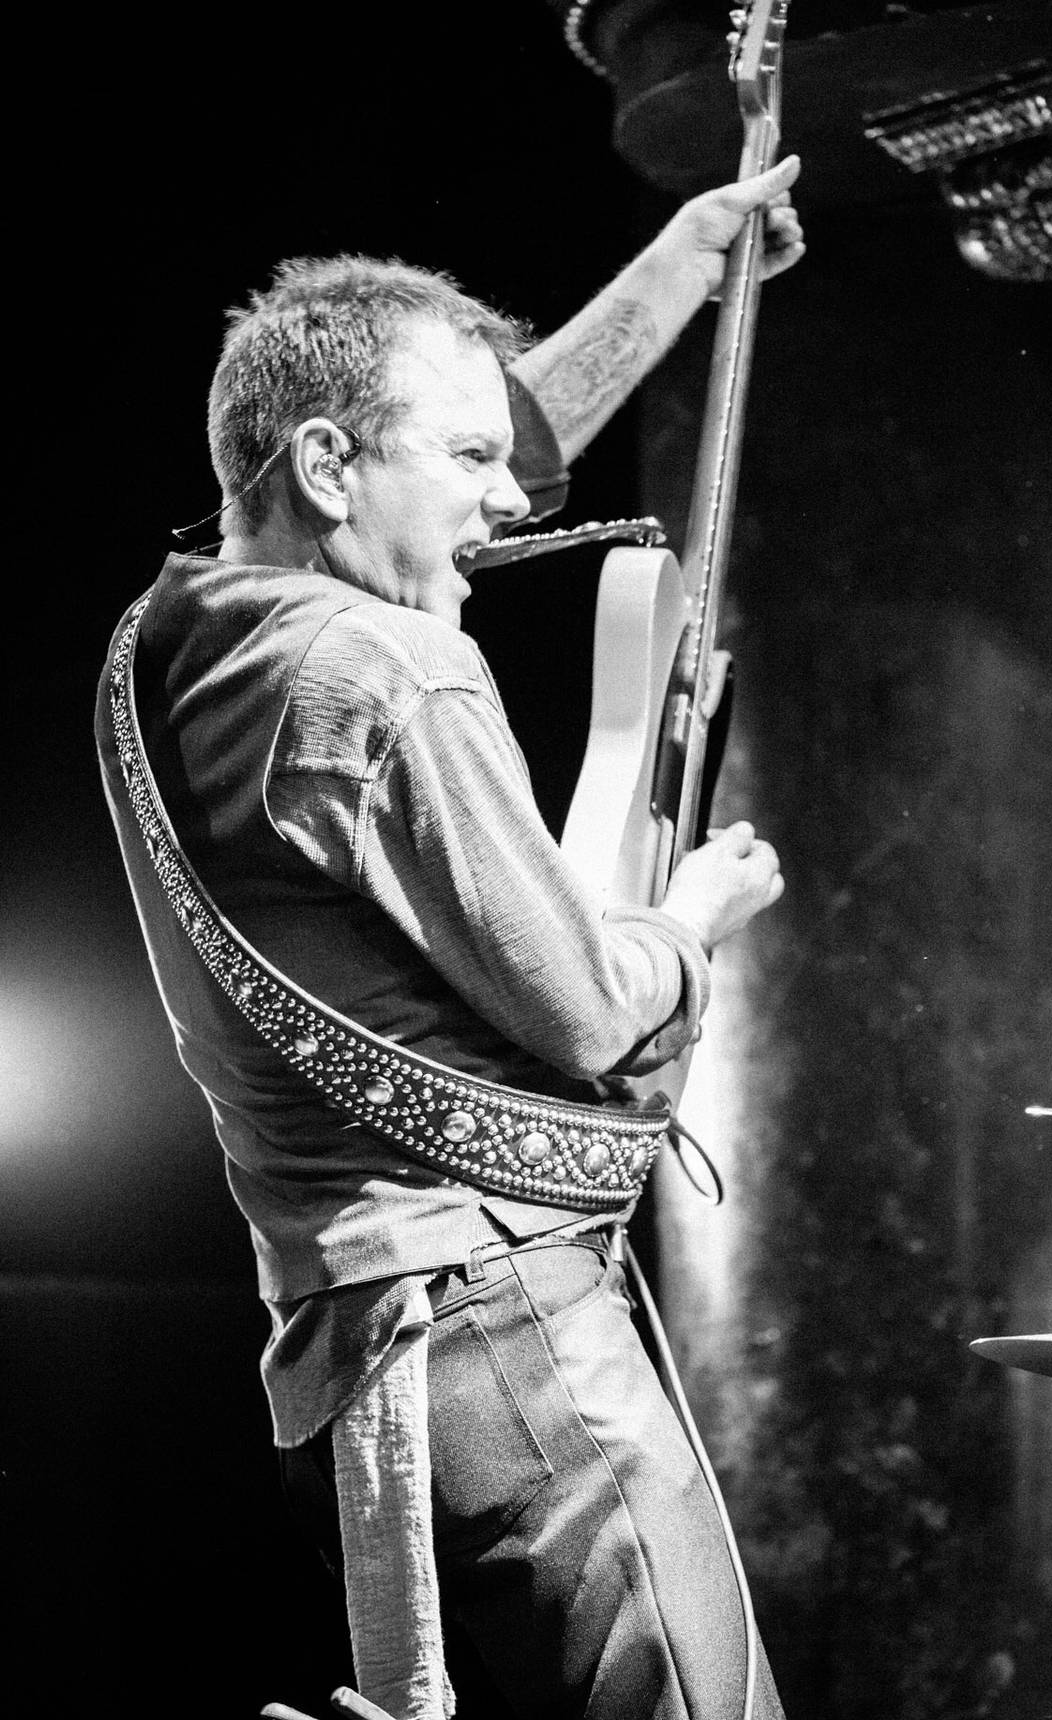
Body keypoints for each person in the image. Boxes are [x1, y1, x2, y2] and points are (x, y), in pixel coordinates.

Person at [95, 156, 804, 1720]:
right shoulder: (390, 666)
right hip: (507, 1325)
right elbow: (590, 1015)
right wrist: (690, 927)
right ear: (332, 465)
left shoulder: (173, 639)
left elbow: (502, 447)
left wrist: (686, 263)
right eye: (471, 460)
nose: (510, 501)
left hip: (360, 1351)